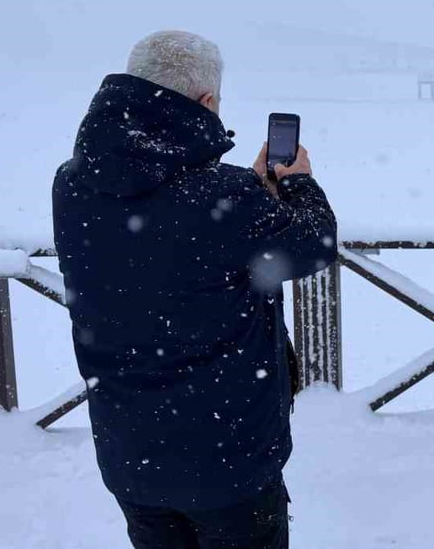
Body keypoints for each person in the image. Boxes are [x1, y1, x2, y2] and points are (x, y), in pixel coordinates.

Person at [52, 30, 338, 548]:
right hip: (229, 461)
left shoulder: (73, 184)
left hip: (129, 453)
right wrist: (297, 182)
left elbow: (167, 240)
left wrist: (249, 195)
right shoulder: (222, 195)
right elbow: (313, 244)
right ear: (206, 102)